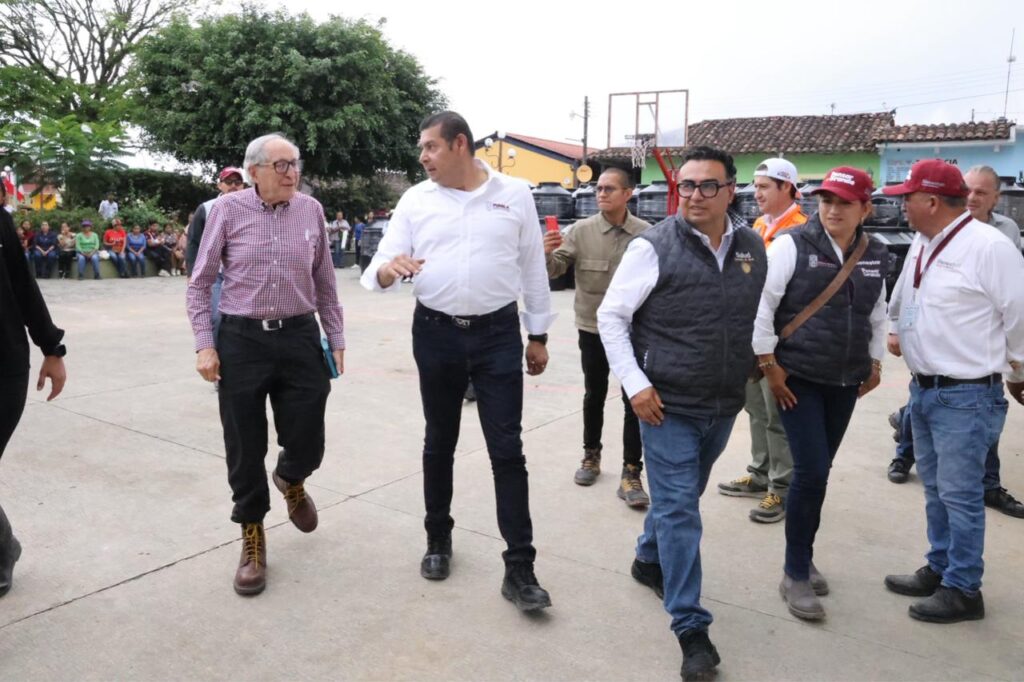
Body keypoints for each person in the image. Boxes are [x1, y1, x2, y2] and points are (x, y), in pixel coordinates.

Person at [360, 111, 555, 612]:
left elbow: (533, 267)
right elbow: (378, 266)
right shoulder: (415, 199)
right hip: (436, 333)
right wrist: (388, 271)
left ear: (460, 144)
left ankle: (520, 568)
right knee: (439, 441)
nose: (422, 157)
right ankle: (438, 539)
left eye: (430, 147)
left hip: (498, 336)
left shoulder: (514, 194)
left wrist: (537, 335)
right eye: (421, 149)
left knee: (507, 450)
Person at [597, 146, 767, 681]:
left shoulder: (752, 247)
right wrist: (636, 385)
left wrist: (759, 361)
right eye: (687, 185)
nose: (694, 195)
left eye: (707, 185)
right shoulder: (653, 247)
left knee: (683, 496)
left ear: (730, 190)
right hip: (665, 405)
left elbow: (755, 314)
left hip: (723, 401)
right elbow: (611, 317)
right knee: (679, 510)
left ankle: (649, 559)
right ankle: (691, 626)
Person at [187, 133, 344, 597]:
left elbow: (325, 281)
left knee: (309, 434)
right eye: (281, 165)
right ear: (253, 171)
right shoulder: (227, 211)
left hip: (298, 335)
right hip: (241, 340)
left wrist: (335, 336)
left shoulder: (311, 210)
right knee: (244, 442)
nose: (292, 172)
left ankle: (291, 477)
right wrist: (204, 344)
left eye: (295, 163)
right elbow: (200, 284)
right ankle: (252, 534)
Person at [882, 159, 1024, 624]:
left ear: (931, 201)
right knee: (937, 490)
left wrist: (1018, 370)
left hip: (967, 394)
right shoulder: (925, 242)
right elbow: (907, 295)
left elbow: (1019, 315)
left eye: (907, 198)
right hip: (926, 390)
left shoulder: (990, 247)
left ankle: (964, 588)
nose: (902, 206)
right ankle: (941, 567)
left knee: (961, 495)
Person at [754, 167, 888, 621]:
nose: (832, 209)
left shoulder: (876, 253)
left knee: (820, 472)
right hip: (798, 378)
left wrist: (874, 362)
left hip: (846, 381)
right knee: (810, 471)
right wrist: (769, 365)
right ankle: (794, 572)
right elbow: (763, 305)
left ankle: (804, 555)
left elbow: (877, 313)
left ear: (865, 209)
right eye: (826, 200)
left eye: (844, 203)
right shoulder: (792, 245)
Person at [544, 168, 650, 507]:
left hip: (635, 331)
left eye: (609, 189)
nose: (601, 194)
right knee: (594, 393)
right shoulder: (580, 231)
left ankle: (631, 471)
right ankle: (591, 455)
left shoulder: (647, 234)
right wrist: (545, 253)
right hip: (592, 328)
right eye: (598, 189)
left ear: (628, 193)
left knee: (634, 397)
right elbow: (555, 269)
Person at [718, 158, 805, 523]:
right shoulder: (758, 227)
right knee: (755, 409)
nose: (756, 193)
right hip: (750, 335)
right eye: (755, 186)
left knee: (776, 416)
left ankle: (781, 488)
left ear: (787, 188)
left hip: (777, 340)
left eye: (765, 186)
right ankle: (760, 473)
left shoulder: (801, 232)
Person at [0, 180, 67, 598]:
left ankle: (2, 549)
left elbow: (24, 286)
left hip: (4, 362)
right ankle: (4, 545)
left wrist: (52, 348)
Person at [187, 167, 246, 340]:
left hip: (243, 273)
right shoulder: (206, 208)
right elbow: (193, 243)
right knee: (216, 316)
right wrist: (191, 274)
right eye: (228, 182)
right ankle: (213, 349)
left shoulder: (253, 207)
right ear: (219, 185)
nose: (233, 186)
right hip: (215, 273)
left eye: (238, 182)